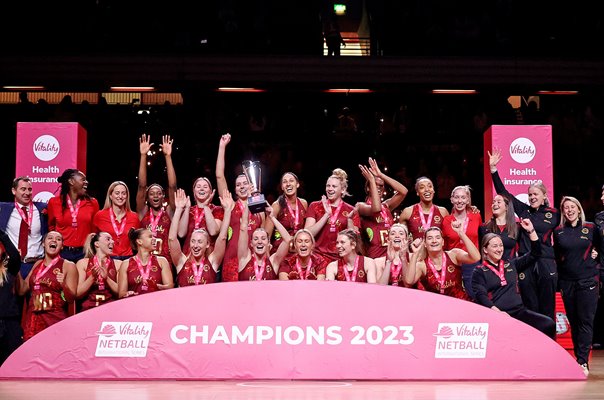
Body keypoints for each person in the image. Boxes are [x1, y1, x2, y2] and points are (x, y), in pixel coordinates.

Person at [489, 148, 560, 322]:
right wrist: (493, 170)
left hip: (546, 262)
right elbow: (504, 193)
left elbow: (563, 235)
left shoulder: (554, 213)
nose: (532, 197)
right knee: (530, 306)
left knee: (547, 307)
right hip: (526, 263)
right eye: (530, 195)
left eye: (536, 194)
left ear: (544, 196)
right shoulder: (524, 210)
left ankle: (549, 345)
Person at [472, 220, 556, 339]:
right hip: (496, 315)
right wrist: (497, 312)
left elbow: (535, 253)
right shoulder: (479, 271)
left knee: (548, 324)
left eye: (501, 245)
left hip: (519, 312)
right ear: (485, 249)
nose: (499, 249)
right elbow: (481, 296)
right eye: (495, 246)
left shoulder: (511, 264)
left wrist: (531, 231)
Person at [553, 196, 602, 376]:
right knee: (574, 321)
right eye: (566, 207)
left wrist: (597, 261)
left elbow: (600, 249)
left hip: (588, 280)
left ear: (579, 209)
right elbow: (557, 257)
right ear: (563, 211)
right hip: (568, 283)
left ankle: (582, 361)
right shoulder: (558, 232)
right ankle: (578, 358)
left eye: (572, 206)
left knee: (585, 321)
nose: (570, 210)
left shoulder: (591, 228)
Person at [215, 133, 264, 281]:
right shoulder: (229, 204)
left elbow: (263, 224)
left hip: (254, 259)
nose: (242, 187)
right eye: (238, 185)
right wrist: (222, 147)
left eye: (244, 183)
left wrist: (253, 197)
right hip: (232, 259)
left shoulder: (257, 202)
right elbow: (219, 176)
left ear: (250, 185)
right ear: (234, 190)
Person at [19, 231, 77, 341]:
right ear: (43, 244)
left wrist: (64, 284)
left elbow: (71, 299)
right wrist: (16, 267)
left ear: (62, 246)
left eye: (58, 239)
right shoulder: (37, 264)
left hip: (54, 318)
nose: (54, 240)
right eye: (50, 238)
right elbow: (22, 290)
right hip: (33, 319)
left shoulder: (68, 265)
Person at [168, 189, 233, 286]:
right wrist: (178, 209)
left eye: (199, 241)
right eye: (193, 241)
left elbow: (222, 237)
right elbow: (172, 239)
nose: (195, 245)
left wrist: (227, 211)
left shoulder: (212, 262)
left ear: (207, 244)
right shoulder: (181, 262)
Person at [404, 222, 480, 300]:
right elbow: (409, 281)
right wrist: (415, 254)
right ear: (425, 244)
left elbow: (476, 257)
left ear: (443, 242)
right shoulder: (422, 265)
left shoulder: (453, 255)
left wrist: (461, 233)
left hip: (460, 304)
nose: (434, 241)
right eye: (430, 238)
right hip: (437, 307)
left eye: (437, 237)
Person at [305, 168, 360, 262]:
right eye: (328, 186)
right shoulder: (315, 206)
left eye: (334, 186)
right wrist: (326, 215)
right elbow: (307, 234)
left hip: (340, 260)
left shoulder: (351, 210)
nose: (330, 189)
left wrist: (349, 220)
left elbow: (354, 241)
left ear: (342, 189)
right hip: (317, 258)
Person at [136, 134, 177, 260]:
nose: (155, 196)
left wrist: (168, 156)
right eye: (152, 193)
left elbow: (172, 186)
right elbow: (142, 186)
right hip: (143, 262)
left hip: (165, 262)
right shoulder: (143, 212)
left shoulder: (169, 213)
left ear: (163, 196)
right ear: (147, 198)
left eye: (159, 193)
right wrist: (143, 156)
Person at [357, 158, 408, 258]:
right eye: (375, 185)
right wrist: (371, 180)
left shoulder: (386, 206)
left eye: (381, 186)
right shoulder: (361, 206)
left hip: (392, 255)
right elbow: (376, 209)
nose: (379, 188)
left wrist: (381, 175)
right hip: (374, 257)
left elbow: (404, 191)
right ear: (368, 188)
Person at [47, 169, 99, 262]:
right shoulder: (54, 202)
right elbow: (51, 227)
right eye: (82, 179)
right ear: (71, 181)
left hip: (84, 252)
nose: (86, 182)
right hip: (62, 252)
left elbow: (94, 230)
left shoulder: (93, 203)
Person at [0, 176, 48, 278]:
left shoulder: (42, 209)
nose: (27, 193)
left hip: (36, 264)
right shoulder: (3, 209)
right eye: (23, 189)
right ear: (14, 191)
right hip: (11, 264)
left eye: (29, 189)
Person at [441, 185, 482, 298]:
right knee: (454, 296)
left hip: (472, 263)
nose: (460, 201)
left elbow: (482, 239)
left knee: (474, 295)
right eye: (457, 197)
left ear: (468, 200)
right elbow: (444, 245)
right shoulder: (446, 221)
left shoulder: (476, 216)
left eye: (463, 198)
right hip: (454, 264)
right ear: (451, 199)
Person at [235, 203, 290, 281]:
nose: (259, 241)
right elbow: (243, 228)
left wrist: (272, 217)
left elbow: (287, 240)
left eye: (263, 238)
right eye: (256, 239)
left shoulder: (273, 262)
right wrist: (248, 204)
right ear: (251, 243)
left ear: (268, 242)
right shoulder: (244, 259)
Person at [117, 228, 174, 298]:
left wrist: (157, 287)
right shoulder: (126, 264)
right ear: (139, 241)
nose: (154, 239)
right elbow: (121, 294)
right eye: (150, 236)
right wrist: (128, 293)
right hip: (134, 304)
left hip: (156, 303)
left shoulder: (162, 261)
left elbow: (170, 287)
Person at [93, 181, 140, 260]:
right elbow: (93, 238)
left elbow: (137, 241)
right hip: (107, 258)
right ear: (111, 196)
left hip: (128, 259)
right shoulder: (100, 216)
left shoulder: (134, 217)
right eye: (117, 193)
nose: (120, 196)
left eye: (123, 193)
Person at [178, 176, 224, 256]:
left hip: (209, 258)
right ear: (194, 191)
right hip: (188, 257)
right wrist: (187, 208)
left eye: (205, 187)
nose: (201, 189)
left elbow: (213, 231)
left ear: (210, 191)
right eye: (198, 187)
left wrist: (206, 206)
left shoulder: (217, 210)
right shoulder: (188, 210)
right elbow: (181, 234)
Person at [264, 172, 308, 255]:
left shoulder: (304, 203)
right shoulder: (276, 205)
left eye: (291, 181)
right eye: (284, 182)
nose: (288, 184)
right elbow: (267, 235)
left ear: (297, 184)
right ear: (282, 187)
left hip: (299, 251)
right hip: (281, 252)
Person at [75, 232, 121, 311]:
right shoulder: (82, 263)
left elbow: (120, 293)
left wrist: (107, 278)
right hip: (88, 309)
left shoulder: (118, 264)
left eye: (112, 239)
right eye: (108, 239)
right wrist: (92, 277)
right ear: (97, 244)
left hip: (111, 309)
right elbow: (77, 294)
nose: (112, 242)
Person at [398, 177, 449, 242]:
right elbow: (401, 238)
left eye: (430, 186)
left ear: (433, 190)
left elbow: (448, 237)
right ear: (417, 192)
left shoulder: (443, 212)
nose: (427, 189)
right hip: (415, 251)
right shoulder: (408, 212)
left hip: (436, 251)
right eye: (422, 187)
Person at [0, 229, 23, 365]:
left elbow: (15, 256)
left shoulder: (9, 271)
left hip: (10, 322)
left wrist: (2, 234)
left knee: (12, 360)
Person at [478, 194, 520, 261]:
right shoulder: (484, 228)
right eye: (493, 202)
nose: (495, 204)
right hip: (490, 269)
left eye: (498, 202)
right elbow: (481, 252)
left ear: (506, 207)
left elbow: (523, 251)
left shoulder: (517, 227)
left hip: (510, 268)